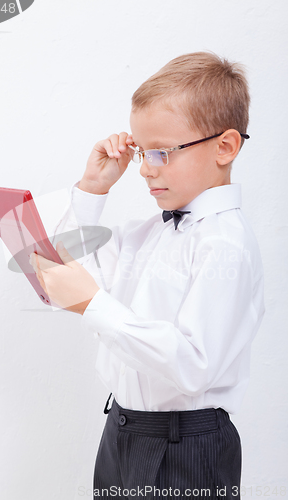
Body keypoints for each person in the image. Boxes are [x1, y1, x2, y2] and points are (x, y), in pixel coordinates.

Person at [29, 52, 265, 500]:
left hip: (185, 447)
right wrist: (92, 188)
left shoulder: (225, 244)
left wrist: (94, 304)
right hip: (122, 431)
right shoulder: (146, 234)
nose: (144, 168)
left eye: (161, 152)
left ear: (225, 147)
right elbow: (62, 263)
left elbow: (193, 365)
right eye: (141, 151)